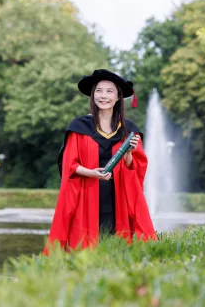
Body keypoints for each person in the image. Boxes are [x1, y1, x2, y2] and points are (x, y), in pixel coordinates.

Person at [43, 69, 157, 255]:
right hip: (87, 197)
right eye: (99, 90)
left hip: (119, 198)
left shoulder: (129, 131)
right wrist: (92, 173)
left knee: (117, 249)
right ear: (93, 94)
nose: (103, 96)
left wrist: (128, 153)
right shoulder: (79, 128)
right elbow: (68, 165)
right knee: (85, 250)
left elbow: (135, 170)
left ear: (118, 97)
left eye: (109, 91)